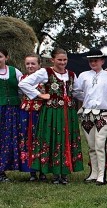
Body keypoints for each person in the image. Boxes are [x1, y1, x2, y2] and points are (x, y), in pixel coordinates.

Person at [19, 48, 83, 184]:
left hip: (68, 113)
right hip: (52, 112)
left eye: (65, 60)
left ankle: (64, 172)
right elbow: (24, 83)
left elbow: (77, 92)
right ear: (52, 60)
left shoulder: (71, 74)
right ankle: (55, 173)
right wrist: (40, 95)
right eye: (59, 60)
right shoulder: (45, 72)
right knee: (53, 139)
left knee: (67, 138)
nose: (62, 62)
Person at [73, 47, 107, 185]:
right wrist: (86, 98)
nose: (93, 63)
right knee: (91, 145)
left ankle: (101, 175)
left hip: (103, 113)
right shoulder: (83, 75)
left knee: (100, 144)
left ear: (102, 61)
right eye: (91, 61)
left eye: (96, 60)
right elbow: (76, 91)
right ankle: (93, 173)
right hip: (87, 113)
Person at [0, 48, 24, 182]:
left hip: (13, 110)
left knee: (9, 139)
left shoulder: (15, 72)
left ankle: (4, 169)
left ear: (6, 58)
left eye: (0, 56)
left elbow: (23, 87)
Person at [19, 54, 44, 182]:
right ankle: (31, 171)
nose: (30, 66)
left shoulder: (44, 79)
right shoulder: (22, 78)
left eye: (33, 63)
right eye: (28, 64)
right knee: (27, 139)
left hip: (40, 112)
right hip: (25, 113)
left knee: (40, 139)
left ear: (39, 65)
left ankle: (43, 170)